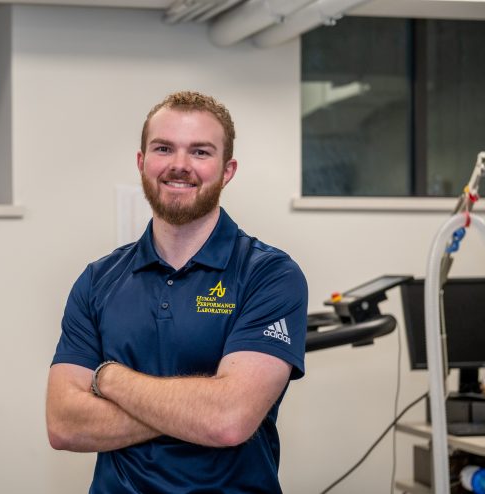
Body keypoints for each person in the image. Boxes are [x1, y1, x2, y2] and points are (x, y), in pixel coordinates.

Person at [46, 91, 307, 493]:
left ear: (227, 170)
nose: (179, 166)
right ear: (142, 162)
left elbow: (228, 420)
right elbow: (64, 424)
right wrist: (193, 410)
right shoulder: (97, 280)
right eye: (164, 148)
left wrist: (108, 379)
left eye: (200, 152)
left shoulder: (269, 275)